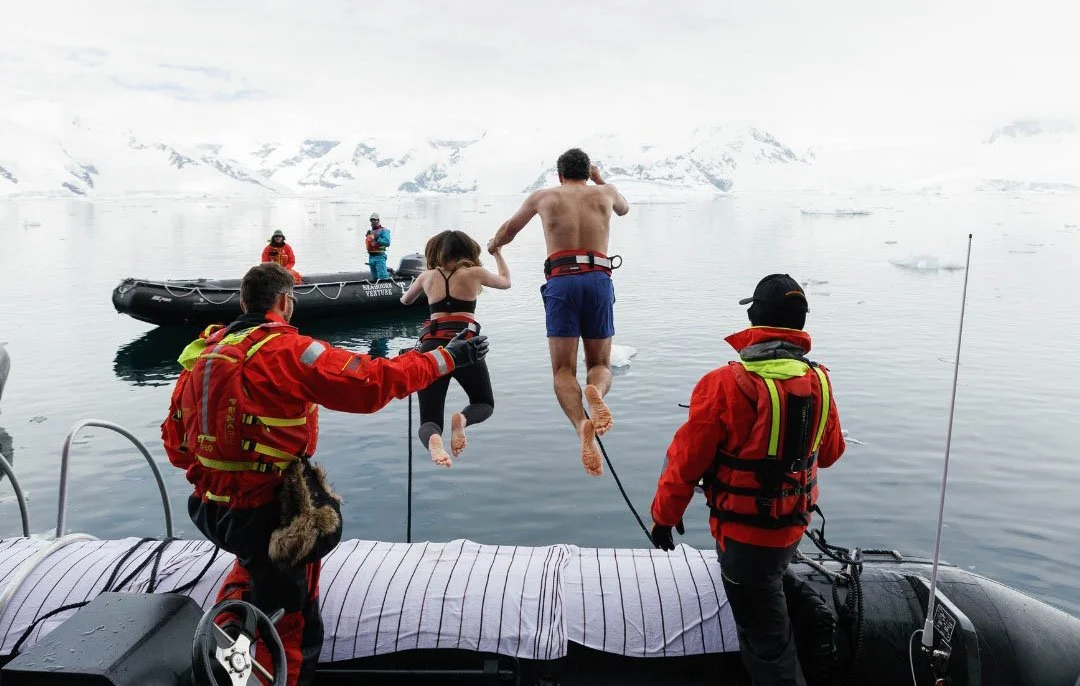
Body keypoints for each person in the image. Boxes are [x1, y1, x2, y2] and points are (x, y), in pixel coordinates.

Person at [161, 262, 488, 686]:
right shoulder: (288, 351)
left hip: (212, 511)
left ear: (243, 302)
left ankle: (232, 624)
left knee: (254, 571)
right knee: (289, 626)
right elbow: (369, 383)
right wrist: (446, 358)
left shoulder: (203, 357)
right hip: (272, 516)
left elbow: (176, 447)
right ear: (284, 303)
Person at [648, 274, 845, 686]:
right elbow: (829, 455)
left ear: (754, 318)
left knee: (767, 649)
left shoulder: (723, 385)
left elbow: (685, 463)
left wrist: (664, 519)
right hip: (790, 527)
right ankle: (818, 626)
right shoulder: (820, 381)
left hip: (744, 539)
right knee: (769, 581)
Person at [487, 148, 628, 476]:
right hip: (598, 279)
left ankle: (581, 423)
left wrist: (495, 244)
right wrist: (600, 179)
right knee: (600, 364)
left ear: (559, 173)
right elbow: (623, 208)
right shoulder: (604, 193)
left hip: (562, 282)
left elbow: (510, 229)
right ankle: (596, 392)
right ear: (587, 171)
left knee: (563, 370)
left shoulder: (543, 196)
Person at [400, 230, 511, 466]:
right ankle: (462, 419)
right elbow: (506, 282)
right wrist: (498, 254)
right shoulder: (474, 273)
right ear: (468, 250)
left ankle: (433, 440)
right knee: (483, 403)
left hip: (432, 347)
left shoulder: (427, 277)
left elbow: (405, 300)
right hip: (465, 346)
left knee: (429, 419)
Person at [366, 212, 392, 280]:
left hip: (379, 256)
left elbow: (387, 243)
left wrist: (377, 238)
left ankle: (388, 280)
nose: (373, 221)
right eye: (371, 220)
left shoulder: (384, 230)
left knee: (383, 277)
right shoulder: (370, 232)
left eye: (375, 220)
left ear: (378, 220)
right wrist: (368, 236)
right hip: (371, 257)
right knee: (375, 277)